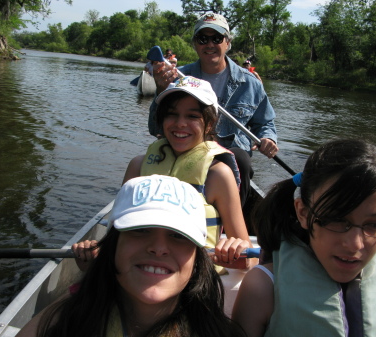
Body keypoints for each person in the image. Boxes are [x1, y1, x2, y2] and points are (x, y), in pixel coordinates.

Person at [16, 175, 247, 337]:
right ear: (113, 245)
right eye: (140, 230)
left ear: (196, 260)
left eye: (178, 236)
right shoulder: (62, 322)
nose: (158, 248)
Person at [232, 138, 376, 337]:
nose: (355, 244)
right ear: (303, 213)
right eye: (336, 220)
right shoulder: (262, 289)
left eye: (374, 225)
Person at [124, 76, 255, 272]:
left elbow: (250, 259)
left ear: (209, 124)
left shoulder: (219, 175)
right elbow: (117, 237)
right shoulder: (138, 166)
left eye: (192, 116)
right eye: (171, 114)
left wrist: (237, 250)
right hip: (147, 268)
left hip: (197, 278)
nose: (180, 124)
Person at [149, 12, 278, 207]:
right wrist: (160, 90)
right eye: (203, 39)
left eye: (217, 38)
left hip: (231, 156)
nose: (210, 44)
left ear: (227, 42)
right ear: (195, 43)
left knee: (241, 158)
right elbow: (155, 129)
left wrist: (268, 139)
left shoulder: (251, 83)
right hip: (186, 148)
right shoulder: (177, 78)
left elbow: (265, 123)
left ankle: (230, 222)